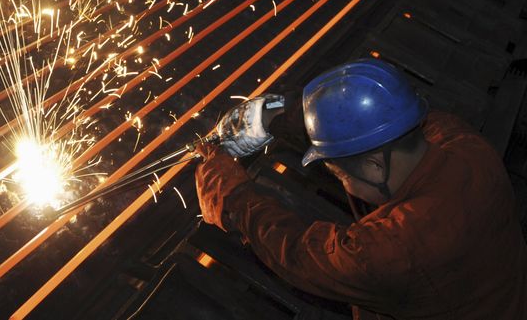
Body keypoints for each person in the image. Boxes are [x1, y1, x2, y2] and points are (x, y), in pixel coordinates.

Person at [195, 58, 527, 319]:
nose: (344, 185)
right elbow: (379, 120)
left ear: (375, 167)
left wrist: (233, 197)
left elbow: (299, 255)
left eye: (340, 176)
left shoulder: (397, 246)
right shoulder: (462, 143)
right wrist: (278, 117)